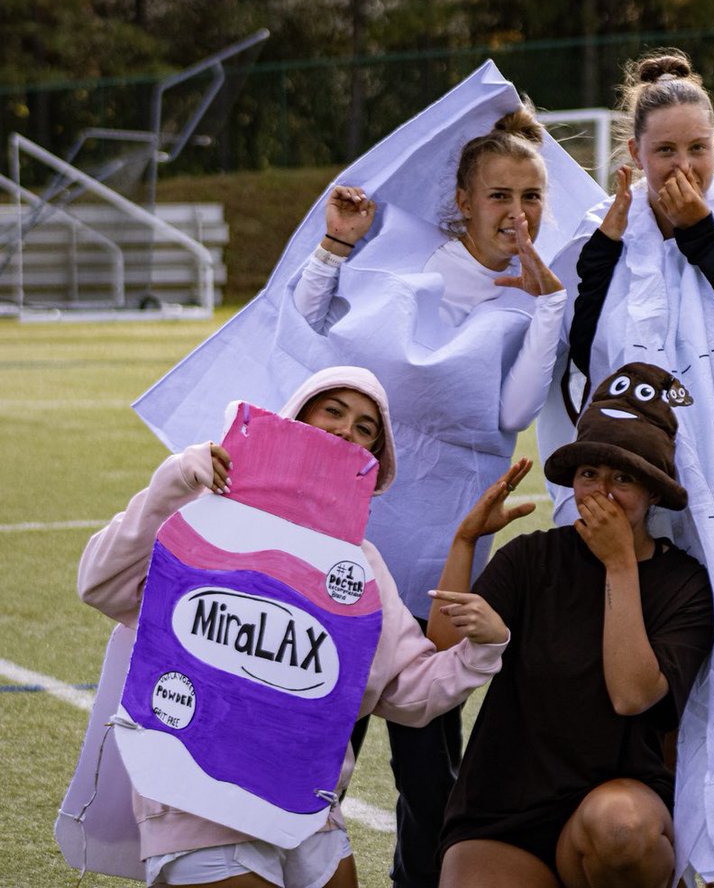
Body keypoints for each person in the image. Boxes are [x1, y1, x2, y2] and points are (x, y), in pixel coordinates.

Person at [540, 48, 714, 885]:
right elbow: (580, 361)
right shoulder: (598, 232)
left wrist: (700, 237)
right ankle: (639, 835)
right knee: (647, 657)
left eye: (697, 148)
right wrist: (608, 249)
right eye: (664, 150)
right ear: (633, 154)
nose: (682, 167)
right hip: (637, 495)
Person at [76, 365, 508, 888]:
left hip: (303, 807)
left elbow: (407, 690)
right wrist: (171, 485)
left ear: (374, 457)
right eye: (333, 411)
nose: (347, 430)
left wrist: (481, 650)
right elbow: (100, 583)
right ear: (296, 417)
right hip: (194, 797)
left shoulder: (359, 564)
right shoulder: (205, 514)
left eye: (366, 428)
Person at [290, 106, 567, 887]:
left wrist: (548, 305)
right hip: (344, 548)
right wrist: (336, 245)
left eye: (532, 196)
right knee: (318, 750)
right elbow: (307, 335)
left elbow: (513, 412)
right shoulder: (402, 261)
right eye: (500, 195)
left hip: (443, 556)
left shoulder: (538, 297)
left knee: (429, 775)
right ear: (463, 201)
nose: (517, 213)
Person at [430, 363, 714, 888]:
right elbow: (443, 649)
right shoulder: (533, 556)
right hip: (507, 805)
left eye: (623, 478)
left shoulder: (685, 583)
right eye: (589, 474)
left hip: (613, 801)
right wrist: (465, 541)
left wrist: (620, 564)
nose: (601, 492)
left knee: (622, 830)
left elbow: (632, 695)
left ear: (654, 492)